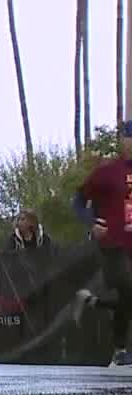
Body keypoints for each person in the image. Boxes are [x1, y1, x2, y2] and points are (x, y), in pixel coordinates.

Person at [72, 122, 132, 366]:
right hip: (113, 243)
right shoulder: (107, 172)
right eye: (129, 138)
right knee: (128, 286)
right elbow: (78, 200)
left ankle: (91, 301)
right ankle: (119, 351)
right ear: (123, 141)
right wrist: (91, 223)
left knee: (129, 295)